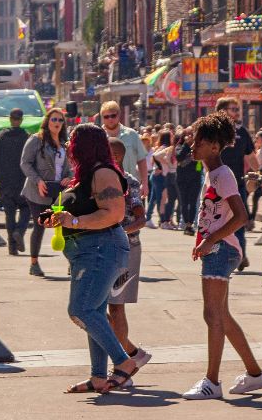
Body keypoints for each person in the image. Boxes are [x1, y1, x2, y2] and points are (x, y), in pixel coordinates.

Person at [38, 123, 145, 394]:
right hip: (87, 251)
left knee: (80, 310)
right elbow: (84, 209)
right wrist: (57, 216)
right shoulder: (84, 176)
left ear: (84, 145)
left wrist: (73, 220)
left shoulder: (104, 172)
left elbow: (114, 213)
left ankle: (124, 361)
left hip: (101, 249)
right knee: (94, 312)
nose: (68, 147)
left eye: (72, 141)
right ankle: (98, 377)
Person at [182, 112, 262, 399]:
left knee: (212, 314)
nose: (193, 146)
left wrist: (210, 240)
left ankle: (212, 382)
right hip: (218, 249)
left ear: (215, 147)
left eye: (199, 142)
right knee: (221, 315)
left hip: (222, 249)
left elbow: (242, 217)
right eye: (193, 140)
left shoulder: (222, 175)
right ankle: (255, 374)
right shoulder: (212, 174)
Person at [105, 136, 150, 365]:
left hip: (126, 250)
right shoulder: (101, 180)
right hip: (104, 250)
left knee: (116, 307)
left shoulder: (128, 182)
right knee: (93, 307)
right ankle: (132, 354)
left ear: (116, 156)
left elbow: (141, 218)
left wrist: (119, 232)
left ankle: (121, 365)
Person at [20, 110, 69, 277]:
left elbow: (70, 167)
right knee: (40, 225)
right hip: (37, 191)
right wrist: (38, 180)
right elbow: (25, 163)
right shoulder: (36, 140)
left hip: (58, 191)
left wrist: (68, 178)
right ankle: (34, 263)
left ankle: (72, 262)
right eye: (53, 119)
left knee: (66, 225)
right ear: (47, 121)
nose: (56, 122)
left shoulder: (65, 143)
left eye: (60, 120)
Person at [214, 97, 259, 270]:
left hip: (237, 183)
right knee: (217, 221)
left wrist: (261, 173)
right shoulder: (213, 131)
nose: (237, 112)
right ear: (222, 111)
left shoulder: (242, 131)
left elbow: (250, 156)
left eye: (237, 109)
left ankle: (240, 255)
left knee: (240, 220)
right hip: (217, 184)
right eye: (233, 109)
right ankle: (219, 255)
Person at [0, 108, 32, 255]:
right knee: (26, 209)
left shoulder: (0, 136)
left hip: (5, 182)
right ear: (21, 120)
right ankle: (20, 231)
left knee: (9, 214)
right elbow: (31, 159)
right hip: (22, 181)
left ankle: (12, 248)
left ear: (10, 119)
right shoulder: (26, 137)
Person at [173, 128, 202, 236]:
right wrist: (186, 144)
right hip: (182, 179)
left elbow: (200, 163)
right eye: (188, 134)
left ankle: (190, 224)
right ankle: (186, 224)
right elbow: (179, 157)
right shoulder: (180, 146)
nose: (190, 136)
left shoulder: (198, 147)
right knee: (184, 202)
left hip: (195, 179)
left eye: (192, 134)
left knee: (193, 202)